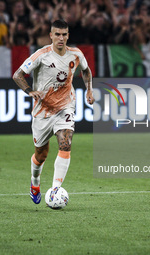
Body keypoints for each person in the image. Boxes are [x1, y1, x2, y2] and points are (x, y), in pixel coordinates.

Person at [12, 19, 94, 204]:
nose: (61, 38)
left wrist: (89, 89)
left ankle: (55, 189)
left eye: (64, 34)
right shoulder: (41, 55)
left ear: (68, 36)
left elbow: (86, 71)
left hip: (65, 106)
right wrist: (29, 91)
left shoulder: (76, 54)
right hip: (42, 111)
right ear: (51, 35)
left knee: (66, 144)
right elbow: (17, 75)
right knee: (41, 155)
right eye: (57, 34)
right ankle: (35, 182)